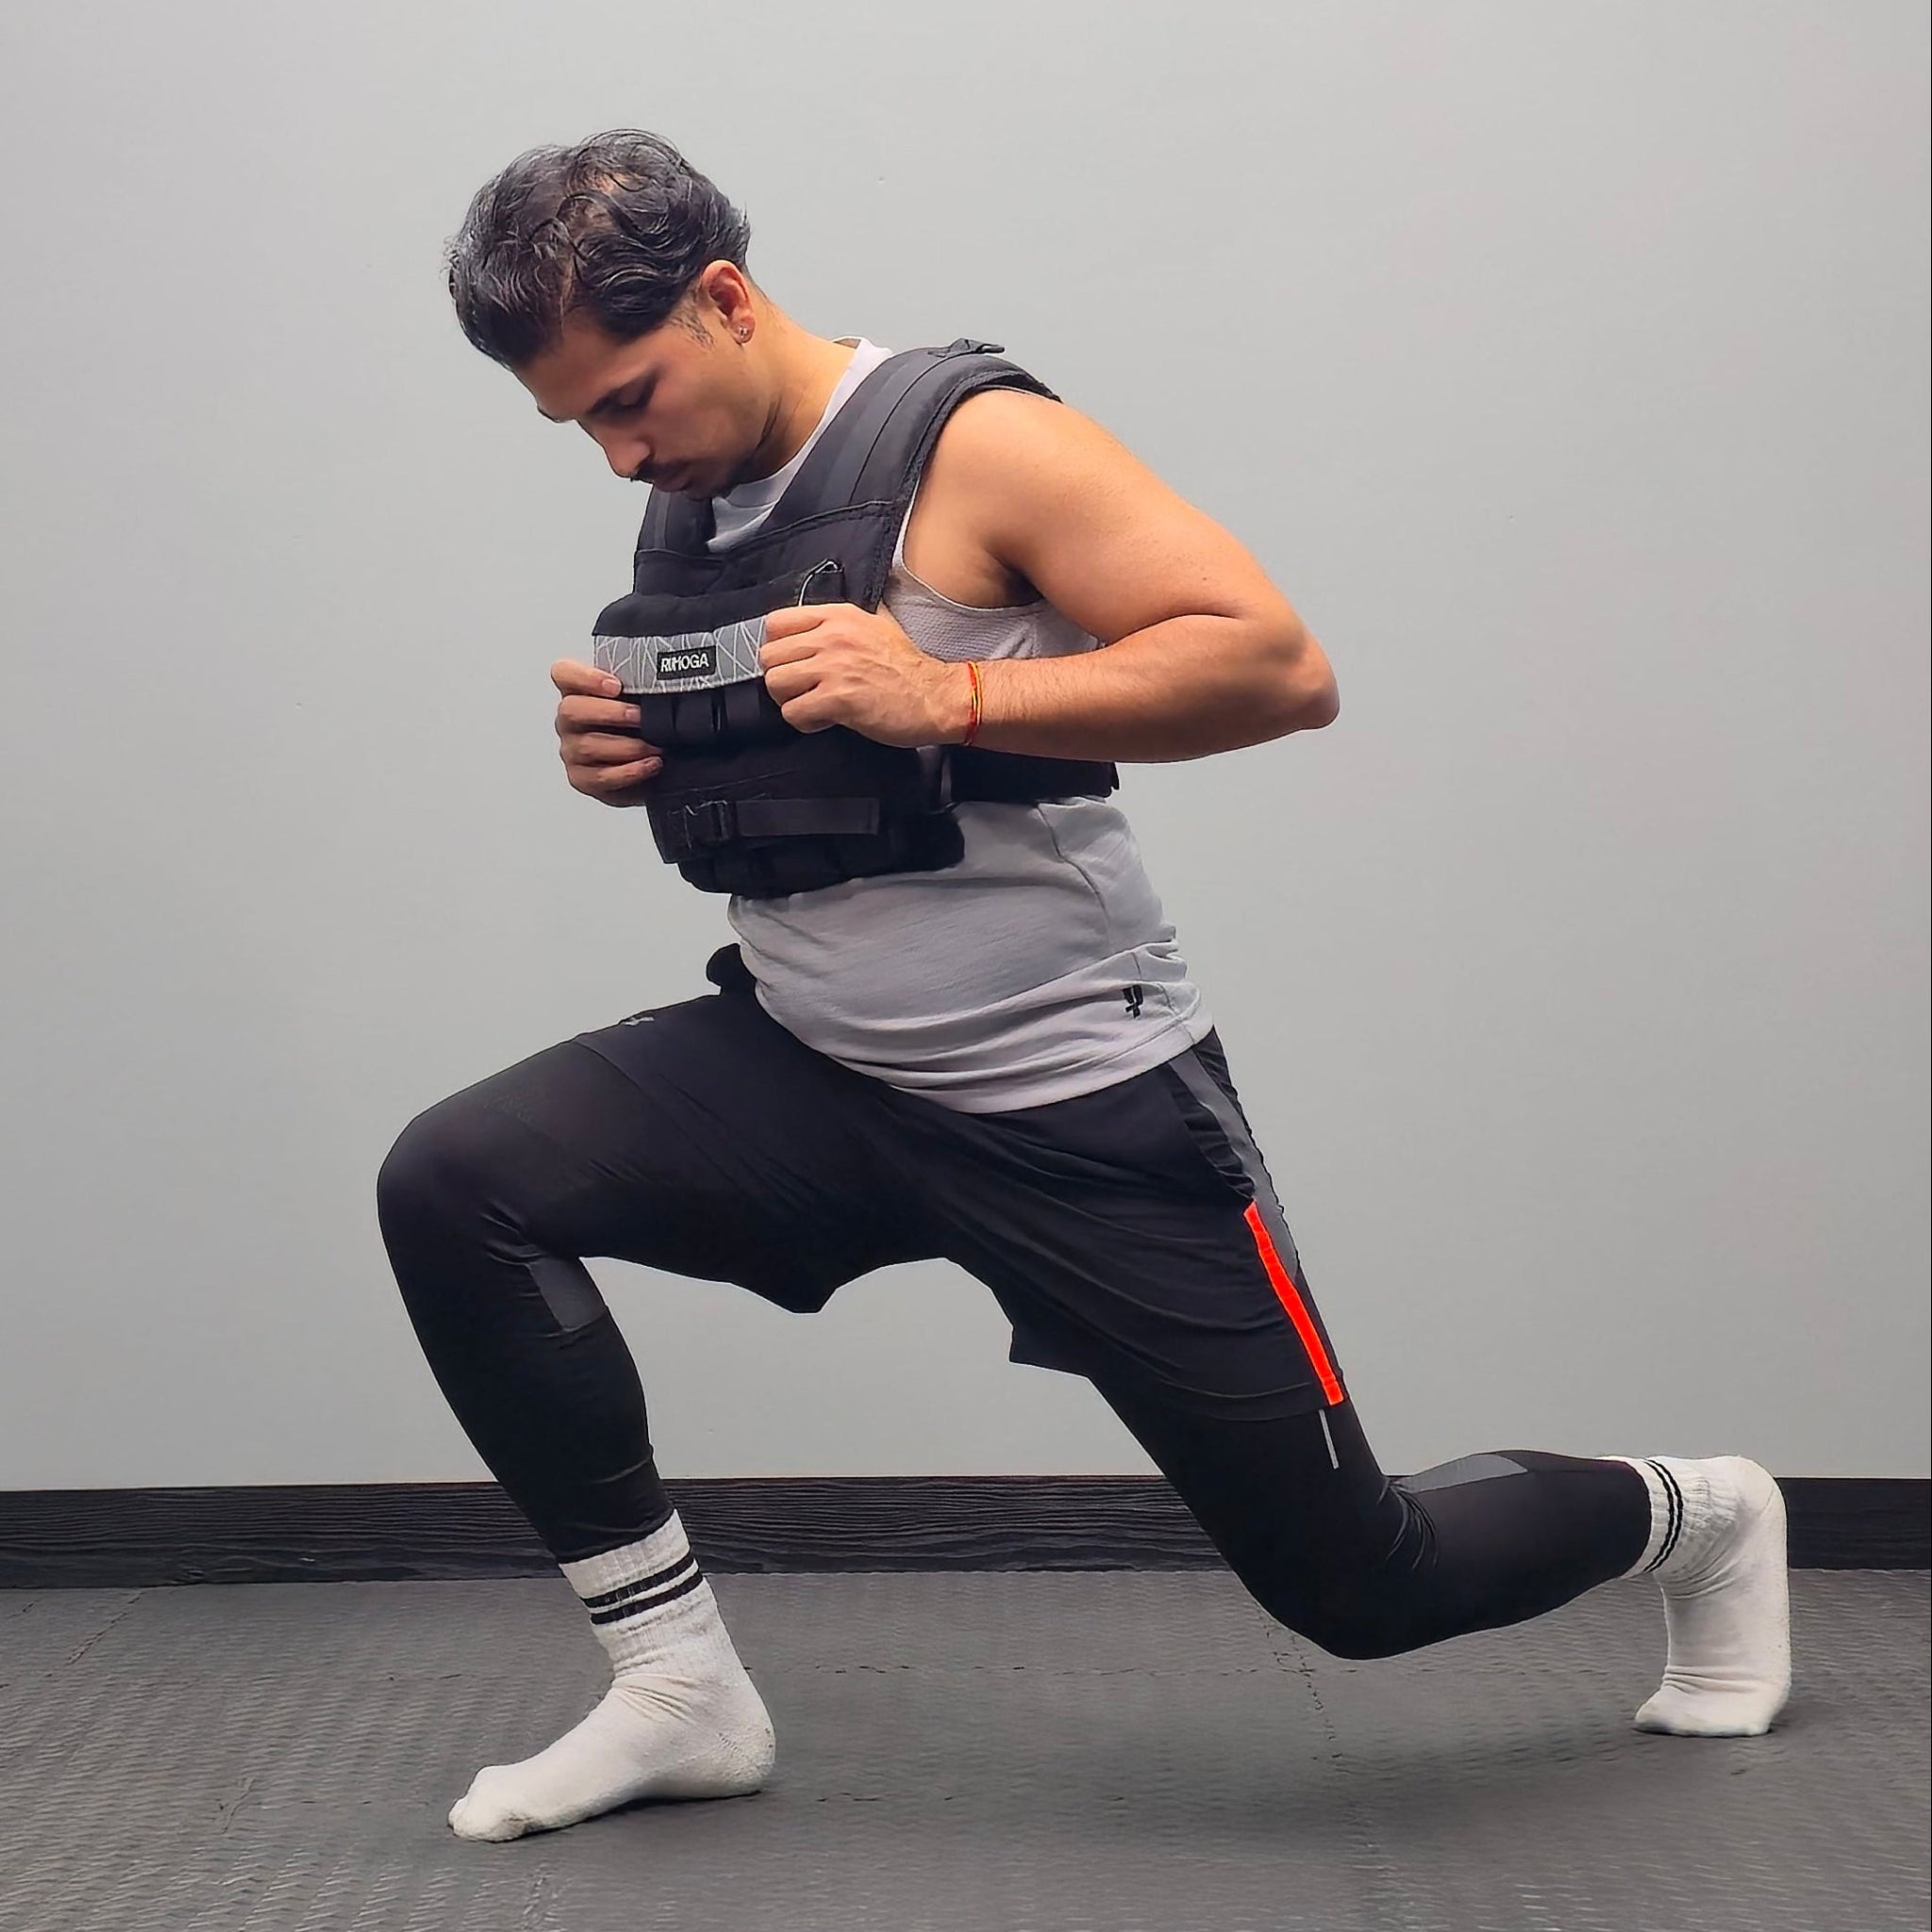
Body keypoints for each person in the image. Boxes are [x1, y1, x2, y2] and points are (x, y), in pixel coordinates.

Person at [377, 129, 1791, 1845]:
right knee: (455, 1183)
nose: (616, 454)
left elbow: (1278, 665)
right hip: (816, 1065)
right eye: (579, 425)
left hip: (1079, 1100)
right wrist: (637, 753)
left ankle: (1701, 1513)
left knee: (1360, 1580)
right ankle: (679, 1690)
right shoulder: (700, 487)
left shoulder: (978, 444)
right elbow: (816, 779)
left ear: (728, 299)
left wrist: (950, 702)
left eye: (630, 398)